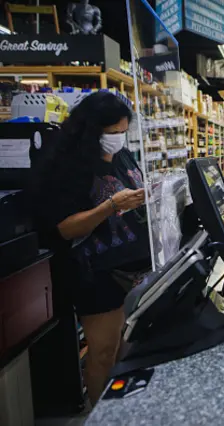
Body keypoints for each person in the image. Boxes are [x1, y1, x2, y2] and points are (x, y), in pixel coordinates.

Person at [31, 92, 150, 404]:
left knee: (127, 348)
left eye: (123, 132)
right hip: (95, 273)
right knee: (102, 354)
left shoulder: (122, 156)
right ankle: (99, 415)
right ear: (90, 130)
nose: (118, 139)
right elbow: (65, 227)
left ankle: (124, 411)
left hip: (133, 267)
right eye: (112, 133)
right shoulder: (68, 165)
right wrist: (110, 206)